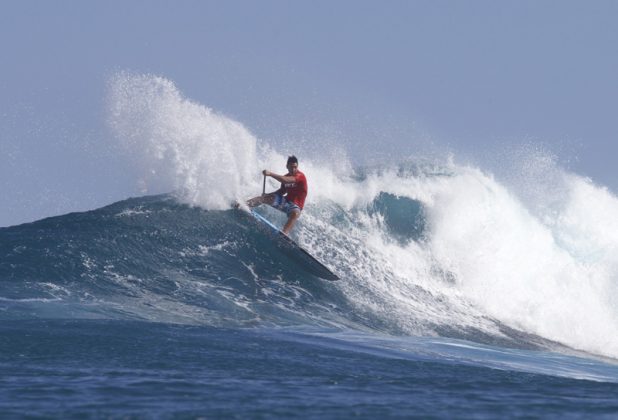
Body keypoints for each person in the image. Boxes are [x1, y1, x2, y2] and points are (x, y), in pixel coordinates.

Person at [247, 155, 308, 235]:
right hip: (286, 202)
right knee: (264, 198)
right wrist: (267, 195)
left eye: (295, 167)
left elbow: (286, 181)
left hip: (295, 206)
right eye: (291, 167)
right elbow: (281, 191)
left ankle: (284, 234)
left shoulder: (300, 176)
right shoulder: (286, 176)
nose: (293, 169)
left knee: (295, 213)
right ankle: (244, 204)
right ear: (287, 166)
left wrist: (270, 174)